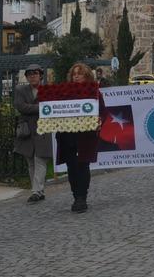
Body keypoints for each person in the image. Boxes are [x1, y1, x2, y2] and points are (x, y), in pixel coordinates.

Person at [56, 63, 100, 213]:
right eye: (74, 74)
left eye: (79, 74)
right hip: (67, 135)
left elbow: (102, 110)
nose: (76, 76)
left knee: (82, 165)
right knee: (71, 167)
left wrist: (98, 121)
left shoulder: (93, 91)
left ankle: (82, 197)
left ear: (86, 76)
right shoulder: (64, 91)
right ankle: (76, 196)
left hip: (85, 135)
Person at [13, 64, 53, 204]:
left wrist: (34, 108)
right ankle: (39, 191)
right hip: (27, 131)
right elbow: (21, 106)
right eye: (29, 74)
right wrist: (42, 108)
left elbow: (51, 107)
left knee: (40, 159)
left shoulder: (48, 89)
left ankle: (36, 191)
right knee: (30, 161)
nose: (32, 76)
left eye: (35, 74)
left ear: (40, 75)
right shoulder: (20, 90)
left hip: (43, 129)